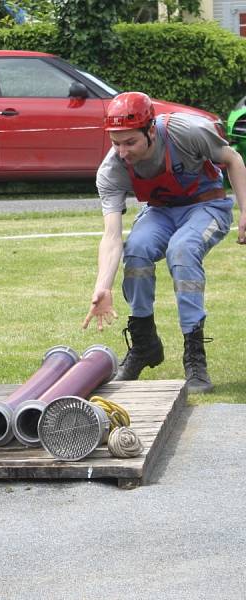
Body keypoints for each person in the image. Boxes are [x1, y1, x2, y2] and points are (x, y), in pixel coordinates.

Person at [83, 91, 246, 394]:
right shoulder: (111, 169)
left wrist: (245, 211)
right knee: (138, 249)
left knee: (182, 250)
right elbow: (112, 235)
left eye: (130, 142)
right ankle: (145, 344)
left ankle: (194, 357)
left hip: (206, 207)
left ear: (151, 130)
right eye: (115, 143)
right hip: (160, 212)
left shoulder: (187, 132)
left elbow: (233, 159)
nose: (122, 152)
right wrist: (102, 286)